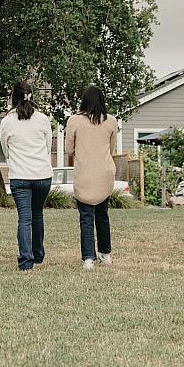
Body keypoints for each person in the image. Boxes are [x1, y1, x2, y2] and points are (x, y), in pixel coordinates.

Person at [0, 82, 53, 271]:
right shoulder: (43, 119)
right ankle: (38, 254)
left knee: (24, 218)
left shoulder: (7, 121)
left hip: (19, 175)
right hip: (42, 175)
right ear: (31, 95)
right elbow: (48, 146)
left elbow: (5, 150)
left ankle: (25, 261)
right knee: (37, 214)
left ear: (13, 97)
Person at [64, 85, 118, 270]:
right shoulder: (111, 121)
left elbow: (68, 150)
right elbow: (111, 150)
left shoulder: (74, 121)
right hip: (104, 173)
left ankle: (88, 258)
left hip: (85, 173)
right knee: (102, 215)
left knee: (86, 217)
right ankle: (106, 254)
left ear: (84, 101)